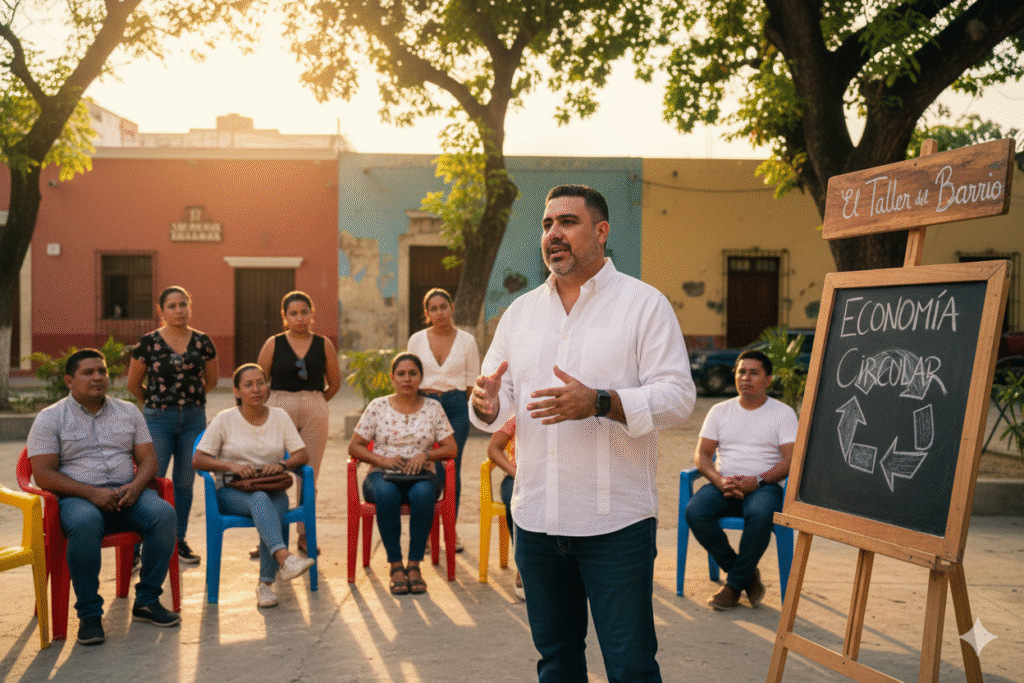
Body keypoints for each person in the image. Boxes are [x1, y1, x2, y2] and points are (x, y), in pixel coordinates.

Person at [470, 185, 695, 682]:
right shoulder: (520, 314)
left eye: (567, 222)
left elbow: (679, 397)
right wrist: (484, 401)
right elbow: (496, 399)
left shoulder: (644, 306)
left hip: (616, 526)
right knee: (557, 664)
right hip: (536, 521)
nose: (554, 234)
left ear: (601, 232)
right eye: (547, 224)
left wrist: (601, 402)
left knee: (631, 667)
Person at [28, 349, 181, 646]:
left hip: (127, 493)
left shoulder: (128, 412)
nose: (98, 377)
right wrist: (91, 493)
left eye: (102, 371)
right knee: (84, 522)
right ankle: (89, 614)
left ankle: (147, 601)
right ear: (69, 381)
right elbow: (43, 474)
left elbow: (149, 459)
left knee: (164, 514)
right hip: (78, 498)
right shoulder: (50, 418)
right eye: (88, 372)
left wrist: (136, 487)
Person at [192, 364, 316, 609]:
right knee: (261, 500)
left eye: (260, 383)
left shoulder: (279, 417)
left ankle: (265, 585)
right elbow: (198, 459)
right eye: (248, 385)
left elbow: (302, 455)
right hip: (231, 491)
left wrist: (282, 464)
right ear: (237, 391)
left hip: (272, 487)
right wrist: (231, 466)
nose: (256, 389)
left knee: (272, 504)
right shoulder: (225, 419)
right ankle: (284, 558)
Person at [685, 349, 798, 611]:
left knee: (760, 515)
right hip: (724, 483)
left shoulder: (782, 413)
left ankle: (734, 586)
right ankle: (746, 577)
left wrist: (757, 481)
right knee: (695, 512)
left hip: (764, 487)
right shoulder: (719, 411)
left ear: (768, 380)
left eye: (753, 373)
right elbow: (702, 455)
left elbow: (791, 460)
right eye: (741, 372)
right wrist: (718, 480)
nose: (745, 377)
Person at [348, 352, 456, 595]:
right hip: (381, 475)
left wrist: (425, 456)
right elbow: (354, 446)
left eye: (412, 373)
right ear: (392, 378)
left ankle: (415, 564)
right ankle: (396, 565)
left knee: (423, 495)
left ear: (420, 378)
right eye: (401, 374)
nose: (407, 379)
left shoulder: (433, 408)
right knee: (387, 495)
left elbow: (451, 447)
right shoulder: (378, 406)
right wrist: (382, 460)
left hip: (422, 475)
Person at [126, 285, 218, 566]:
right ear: (161, 311)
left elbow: (211, 381)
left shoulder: (203, 342)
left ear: (189, 307)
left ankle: (178, 541)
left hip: (193, 418)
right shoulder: (148, 343)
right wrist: (154, 405)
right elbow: (133, 384)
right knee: (151, 479)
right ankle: (138, 545)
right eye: (172, 306)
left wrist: (189, 400)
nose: (178, 310)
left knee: (185, 482)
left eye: (183, 305)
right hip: (158, 419)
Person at [257, 290, 341, 554]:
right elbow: (259, 380)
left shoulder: (323, 343)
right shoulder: (274, 343)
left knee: (309, 475)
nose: (299, 318)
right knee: (271, 471)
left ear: (311, 314)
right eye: (293, 313)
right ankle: (268, 538)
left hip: (315, 409)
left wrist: (315, 401)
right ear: (284, 316)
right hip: (279, 408)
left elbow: (335, 382)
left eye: (304, 312)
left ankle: (305, 535)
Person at [406, 287, 480, 553]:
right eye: (434, 309)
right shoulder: (416, 340)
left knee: (450, 467)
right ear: (427, 313)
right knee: (425, 464)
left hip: (456, 406)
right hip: (425, 405)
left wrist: (461, 404)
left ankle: (451, 529)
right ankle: (426, 532)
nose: (440, 313)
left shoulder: (467, 341)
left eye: (444, 307)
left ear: (451, 308)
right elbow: (410, 375)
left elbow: (473, 381)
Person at [486, 415, 523, 600]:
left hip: (563, 480)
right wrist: (514, 472)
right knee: (513, 499)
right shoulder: (517, 415)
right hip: (518, 476)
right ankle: (524, 566)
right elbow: (493, 449)